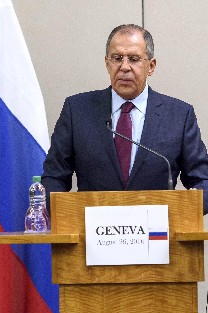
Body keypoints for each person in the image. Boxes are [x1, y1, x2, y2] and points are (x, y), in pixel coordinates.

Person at [42, 24, 208, 214]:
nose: (124, 67)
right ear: (107, 63)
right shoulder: (77, 110)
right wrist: (68, 217)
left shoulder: (179, 115)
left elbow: (203, 180)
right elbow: (53, 177)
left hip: (159, 236)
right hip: (92, 236)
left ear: (151, 66)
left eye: (134, 59)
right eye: (117, 58)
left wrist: (177, 214)